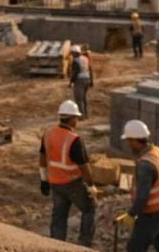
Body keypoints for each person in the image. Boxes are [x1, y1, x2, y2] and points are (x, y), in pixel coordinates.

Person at [39, 100, 97, 246]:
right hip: (73, 184)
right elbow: (84, 167)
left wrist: (43, 180)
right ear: (71, 119)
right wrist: (91, 186)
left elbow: (42, 158)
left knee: (59, 216)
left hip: (55, 183)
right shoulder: (74, 140)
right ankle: (84, 245)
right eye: (76, 118)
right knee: (89, 208)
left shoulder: (48, 133)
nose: (76, 121)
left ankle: (56, 246)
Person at [118, 120, 159, 252]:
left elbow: (142, 196)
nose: (128, 145)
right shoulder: (158, 151)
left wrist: (132, 214)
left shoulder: (145, 164)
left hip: (152, 211)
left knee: (135, 248)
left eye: (129, 141)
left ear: (134, 140)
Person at [69, 45, 93, 118]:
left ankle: (81, 116)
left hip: (79, 80)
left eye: (72, 53)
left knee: (79, 99)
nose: (72, 55)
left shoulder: (76, 61)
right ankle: (86, 115)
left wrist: (71, 82)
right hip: (87, 79)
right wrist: (92, 81)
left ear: (75, 53)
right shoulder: (86, 58)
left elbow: (75, 72)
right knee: (84, 98)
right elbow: (90, 69)